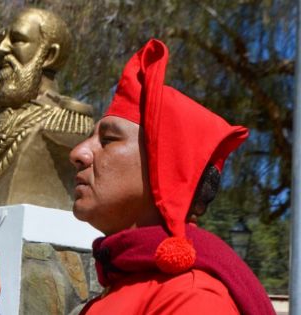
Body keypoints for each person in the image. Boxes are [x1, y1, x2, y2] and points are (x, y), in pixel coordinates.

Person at [70, 39, 275, 314]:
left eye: (107, 140)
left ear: (164, 168)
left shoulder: (192, 299)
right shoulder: (125, 289)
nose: (79, 153)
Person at [0, 8, 94, 210]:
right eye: (1, 38)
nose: (2, 48)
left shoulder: (66, 122)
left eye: (17, 40)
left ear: (50, 55)